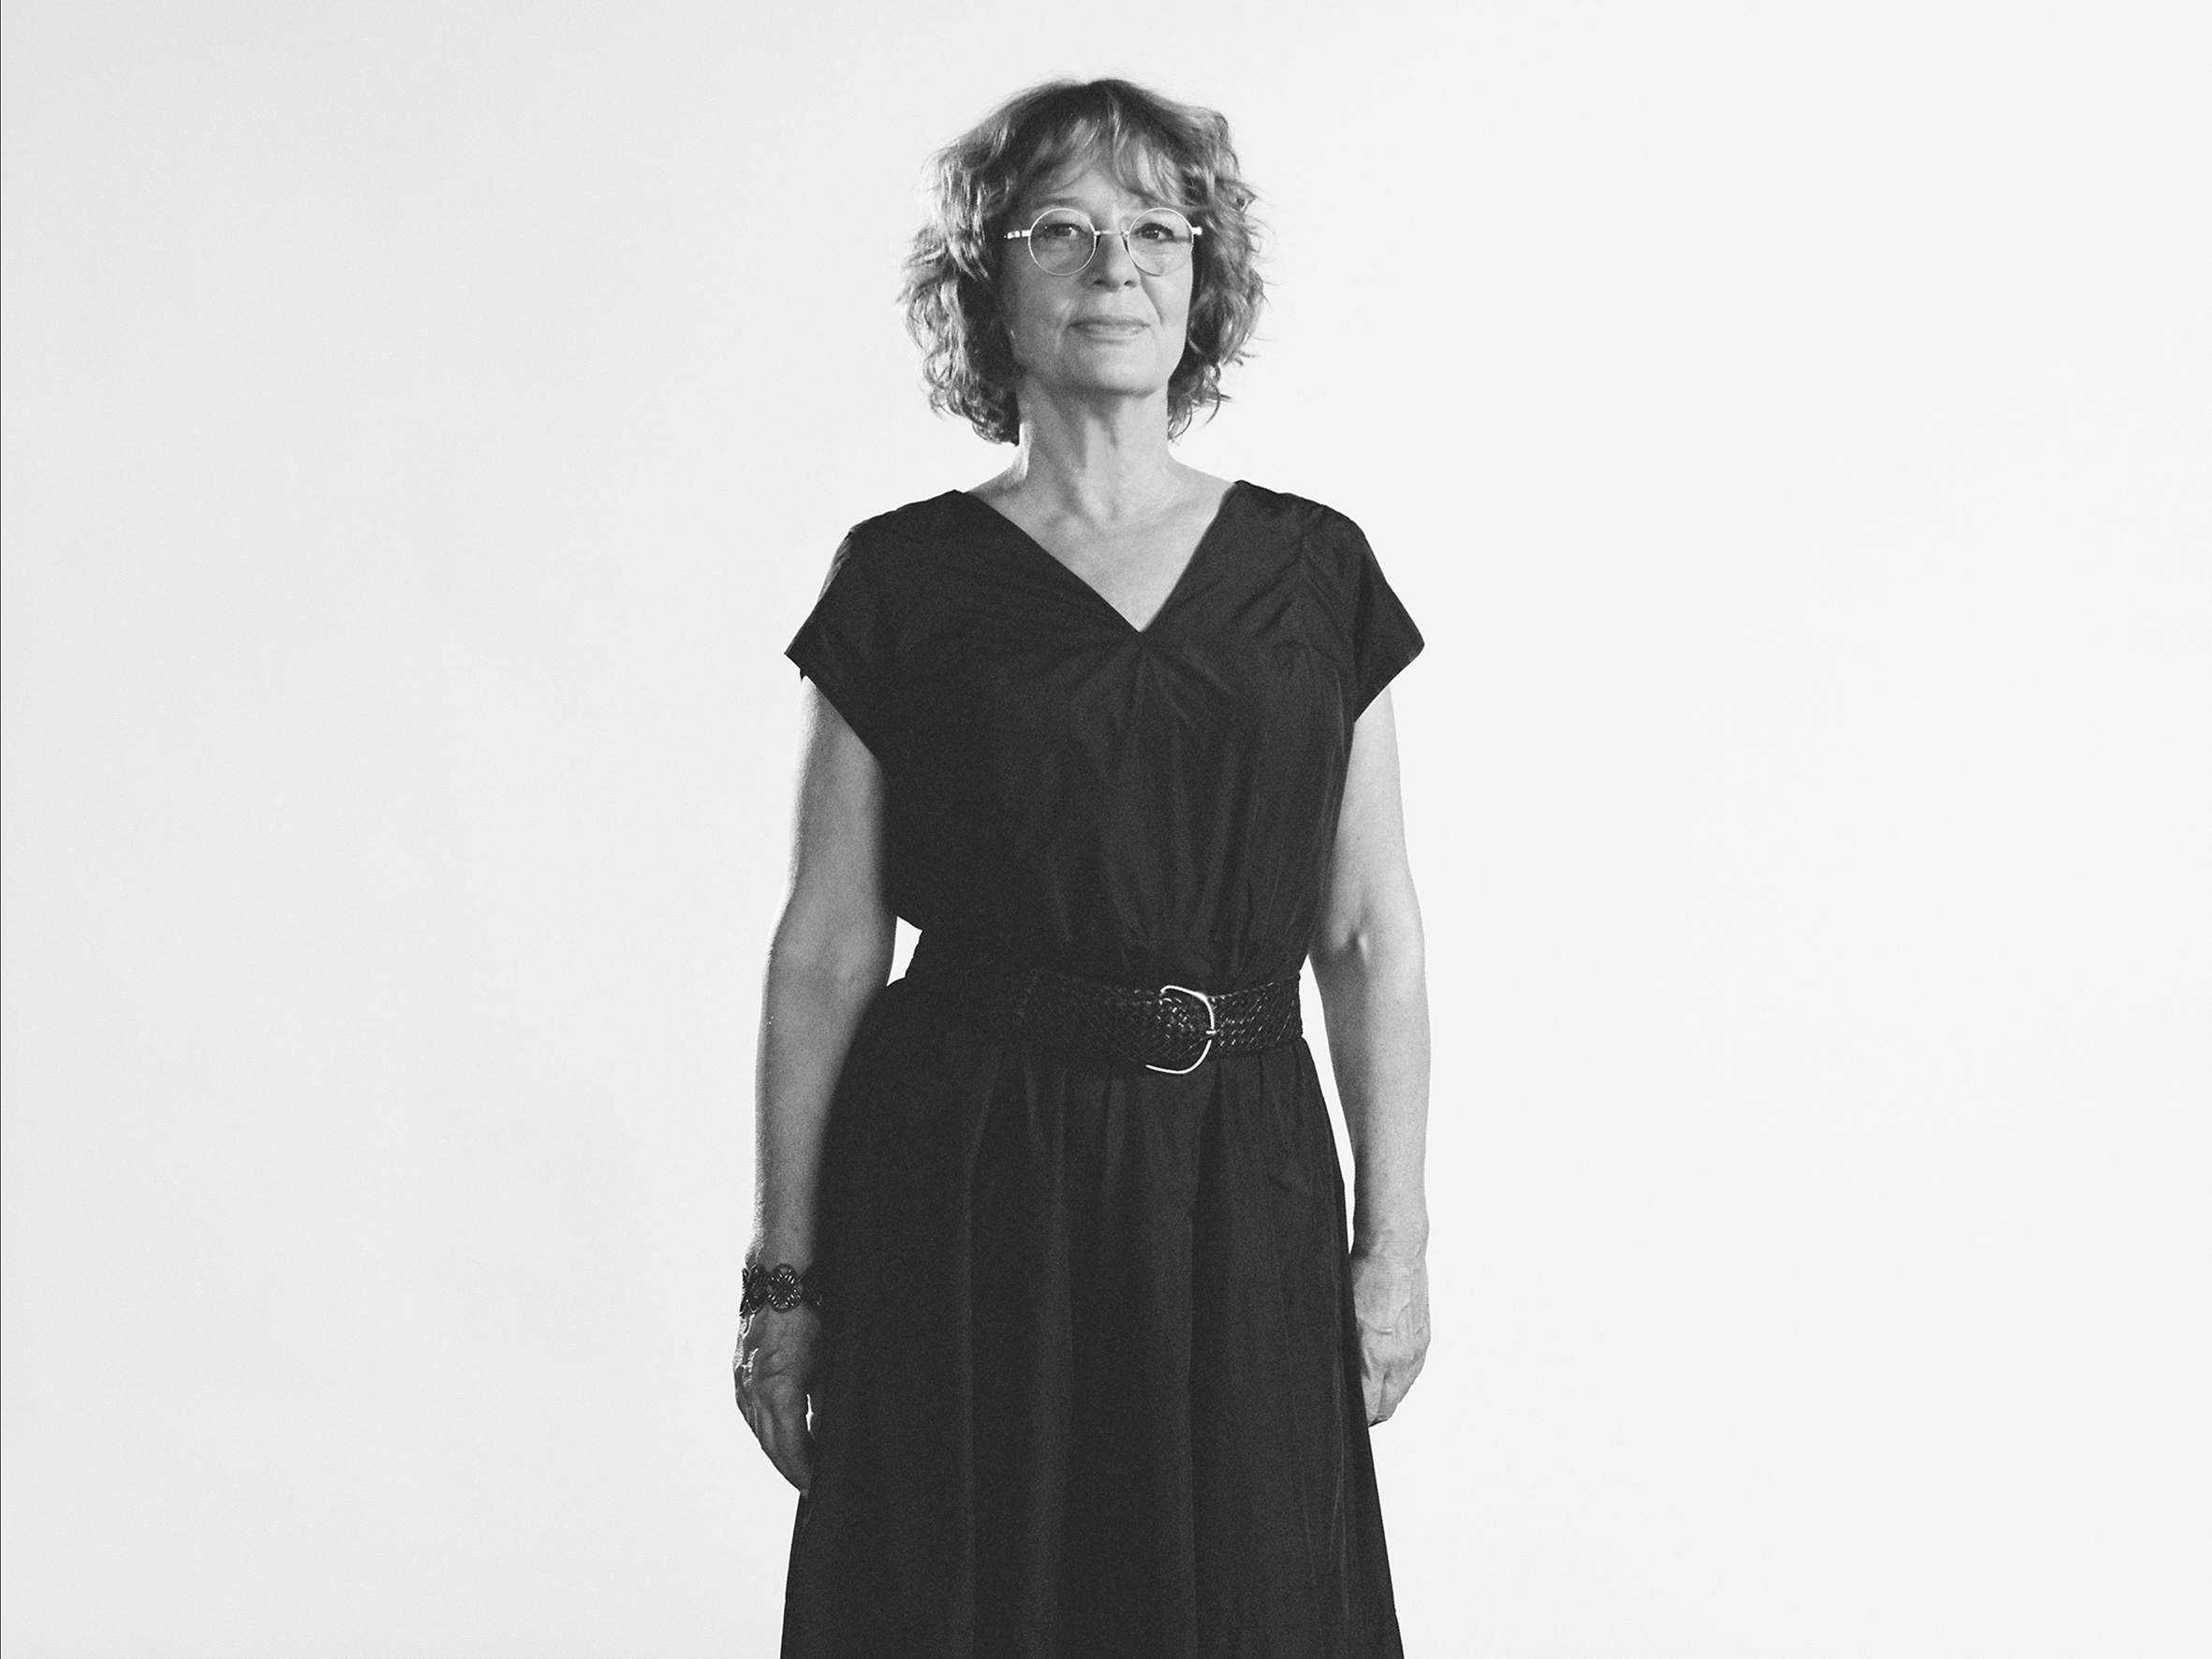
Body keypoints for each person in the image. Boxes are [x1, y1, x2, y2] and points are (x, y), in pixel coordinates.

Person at [734, 77, 1432, 1659]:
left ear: (1203, 277)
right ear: (987, 282)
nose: (1115, 264)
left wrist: (1393, 1245)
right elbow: (826, 947)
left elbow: (1369, 935)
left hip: (1242, 1177)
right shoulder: (902, 578)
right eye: (1060, 228)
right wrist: (785, 1283)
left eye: (1156, 229)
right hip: (966, 1179)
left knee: (1251, 1599)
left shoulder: (1312, 571)